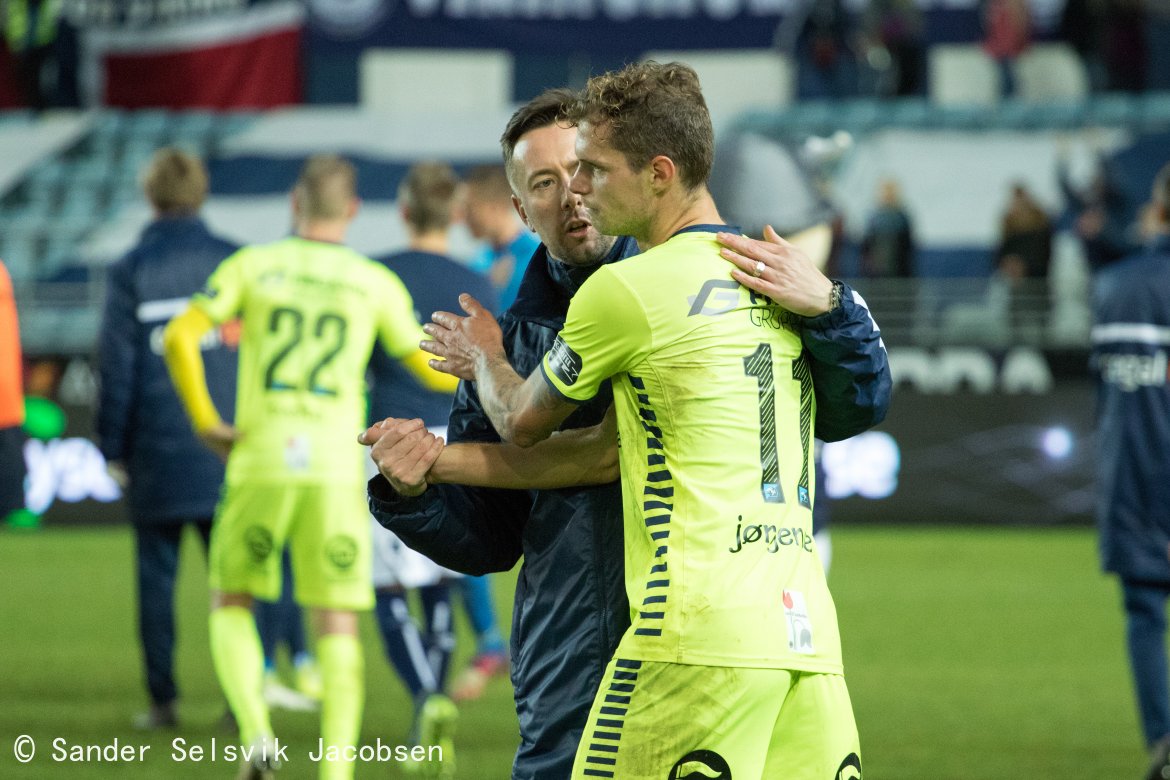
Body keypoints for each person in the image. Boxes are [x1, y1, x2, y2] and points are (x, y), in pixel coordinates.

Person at [409, 64, 890, 779]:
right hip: (796, 633)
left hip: (685, 634)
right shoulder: (769, 271)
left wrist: (485, 364)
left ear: (657, 173)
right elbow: (512, 516)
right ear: (518, 207)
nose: (579, 192)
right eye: (549, 183)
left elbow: (528, 426)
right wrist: (420, 479)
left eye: (591, 170)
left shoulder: (627, 293)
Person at [162, 154, 456, 780]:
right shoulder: (370, 281)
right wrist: (491, 369)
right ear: (352, 211)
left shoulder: (254, 265)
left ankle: (259, 738)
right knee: (337, 619)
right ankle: (336, 772)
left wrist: (205, 421)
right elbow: (424, 362)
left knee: (232, 598)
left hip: (262, 456)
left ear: (295, 202)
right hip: (332, 465)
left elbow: (179, 336)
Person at [95, 148, 239, 731]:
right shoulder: (235, 261)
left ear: (151, 195)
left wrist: (113, 448)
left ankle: (163, 703)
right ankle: (240, 702)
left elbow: (118, 368)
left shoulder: (131, 269)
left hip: (156, 450)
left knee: (156, 584)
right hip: (229, 450)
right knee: (237, 587)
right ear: (200, 192)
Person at [367, 160, 496, 766]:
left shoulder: (374, 275)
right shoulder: (478, 283)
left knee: (390, 585)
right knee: (443, 576)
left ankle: (425, 699)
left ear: (402, 211)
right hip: (459, 442)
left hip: (394, 439)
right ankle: (435, 696)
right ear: (453, 215)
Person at [1090, 162, 1170, 780]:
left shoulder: (1115, 286)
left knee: (1144, 615)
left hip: (1131, 480)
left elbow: (1105, 398)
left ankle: (1163, 742)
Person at [464, 164, 541, 309]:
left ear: (495, 207)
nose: (465, 217)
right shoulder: (477, 262)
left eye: (470, 208)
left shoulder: (537, 258)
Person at [996, 182, 1052, 340]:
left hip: (1038, 285)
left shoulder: (1041, 223)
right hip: (1016, 286)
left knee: (1040, 325)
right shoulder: (1008, 224)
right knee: (1016, 324)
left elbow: (1045, 257)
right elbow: (999, 255)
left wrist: (1024, 267)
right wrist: (1008, 265)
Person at [0, 258, 27, 527]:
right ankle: (14, 510)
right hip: (6, 386)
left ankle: (14, 510)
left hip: (4, 388)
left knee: (7, 448)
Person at [860, 177, 915, 278]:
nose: (888, 195)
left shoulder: (901, 217)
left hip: (899, 270)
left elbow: (908, 248)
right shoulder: (874, 218)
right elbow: (866, 247)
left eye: (891, 192)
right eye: (885, 191)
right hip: (875, 272)